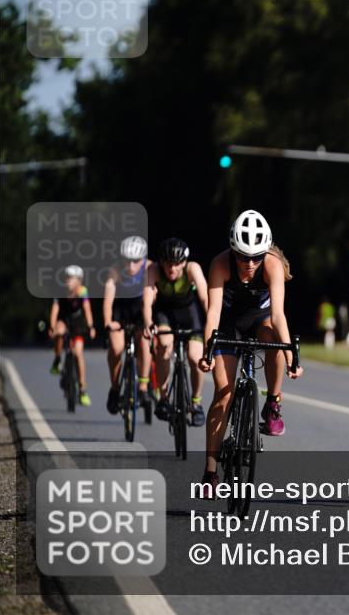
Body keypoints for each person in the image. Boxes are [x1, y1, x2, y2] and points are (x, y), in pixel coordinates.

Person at [198, 210, 303, 491]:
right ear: (233, 251)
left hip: (261, 319)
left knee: (275, 338)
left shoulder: (273, 265)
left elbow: (279, 316)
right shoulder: (220, 264)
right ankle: (210, 471)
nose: (250, 263)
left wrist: (291, 355)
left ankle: (273, 403)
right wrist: (207, 353)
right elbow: (212, 315)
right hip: (230, 322)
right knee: (224, 393)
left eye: (256, 256)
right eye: (244, 256)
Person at [142, 238, 209, 425]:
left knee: (196, 358)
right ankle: (163, 399)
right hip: (165, 314)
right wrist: (148, 322)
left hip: (189, 313)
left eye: (177, 264)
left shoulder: (192, 269)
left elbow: (205, 299)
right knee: (164, 346)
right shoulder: (153, 270)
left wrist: (213, 325)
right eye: (168, 264)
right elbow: (147, 301)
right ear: (161, 262)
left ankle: (196, 403)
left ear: (184, 262)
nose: (172, 269)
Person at [104, 236, 152, 414]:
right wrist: (108, 322)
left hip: (141, 309)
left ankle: (144, 387)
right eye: (127, 260)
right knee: (116, 348)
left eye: (135, 261)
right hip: (121, 311)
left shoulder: (149, 268)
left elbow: (151, 297)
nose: (131, 266)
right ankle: (115, 388)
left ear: (143, 258)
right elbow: (108, 300)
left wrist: (149, 323)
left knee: (144, 342)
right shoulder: (115, 270)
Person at [49, 265, 96, 406]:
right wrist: (52, 327)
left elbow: (87, 310)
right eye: (66, 278)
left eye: (71, 278)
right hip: (64, 320)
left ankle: (82, 388)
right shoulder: (60, 291)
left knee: (78, 352)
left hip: (78, 323)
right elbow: (54, 311)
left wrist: (91, 326)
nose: (68, 281)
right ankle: (57, 359)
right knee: (58, 331)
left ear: (79, 281)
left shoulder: (82, 292)